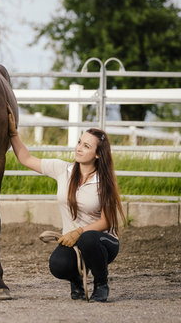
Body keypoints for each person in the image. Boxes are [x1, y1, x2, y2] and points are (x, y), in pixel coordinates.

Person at [7, 105, 126, 302]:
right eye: (80, 142)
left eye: (86, 146)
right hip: (73, 242)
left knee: (88, 239)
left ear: (98, 154)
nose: (79, 148)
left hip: (103, 243)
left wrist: (78, 232)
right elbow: (25, 158)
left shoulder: (104, 182)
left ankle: (101, 283)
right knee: (57, 264)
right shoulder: (63, 170)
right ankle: (77, 281)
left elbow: (106, 222)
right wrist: (12, 132)